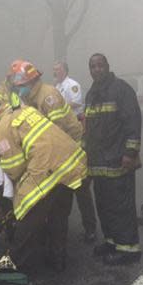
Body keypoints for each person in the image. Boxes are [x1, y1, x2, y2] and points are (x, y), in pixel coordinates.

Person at [0, 100, 87, 272]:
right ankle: (57, 260)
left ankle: (10, 268)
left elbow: (14, 168)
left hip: (47, 169)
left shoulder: (0, 130)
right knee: (57, 215)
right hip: (69, 163)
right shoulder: (22, 110)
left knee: (27, 214)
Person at [84, 53, 142, 266]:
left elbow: (133, 123)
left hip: (119, 161)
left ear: (107, 66)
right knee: (104, 206)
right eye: (92, 66)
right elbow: (88, 130)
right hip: (99, 164)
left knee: (121, 207)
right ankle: (112, 242)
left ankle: (129, 249)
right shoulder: (91, 94)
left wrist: (130, 153)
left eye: (100, 65)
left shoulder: (121, 89)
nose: (96, 69)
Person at [53, 61, 97, 243]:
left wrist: (57, 108)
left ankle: (90, 229)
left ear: (65, 70)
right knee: (62, 194)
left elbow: (76, 104)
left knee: (82, 191)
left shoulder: (72, 85)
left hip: (76, 139)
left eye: (58, 69)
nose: (55, 72)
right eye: (54, 70)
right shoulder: (56, 87)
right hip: (61, 142)